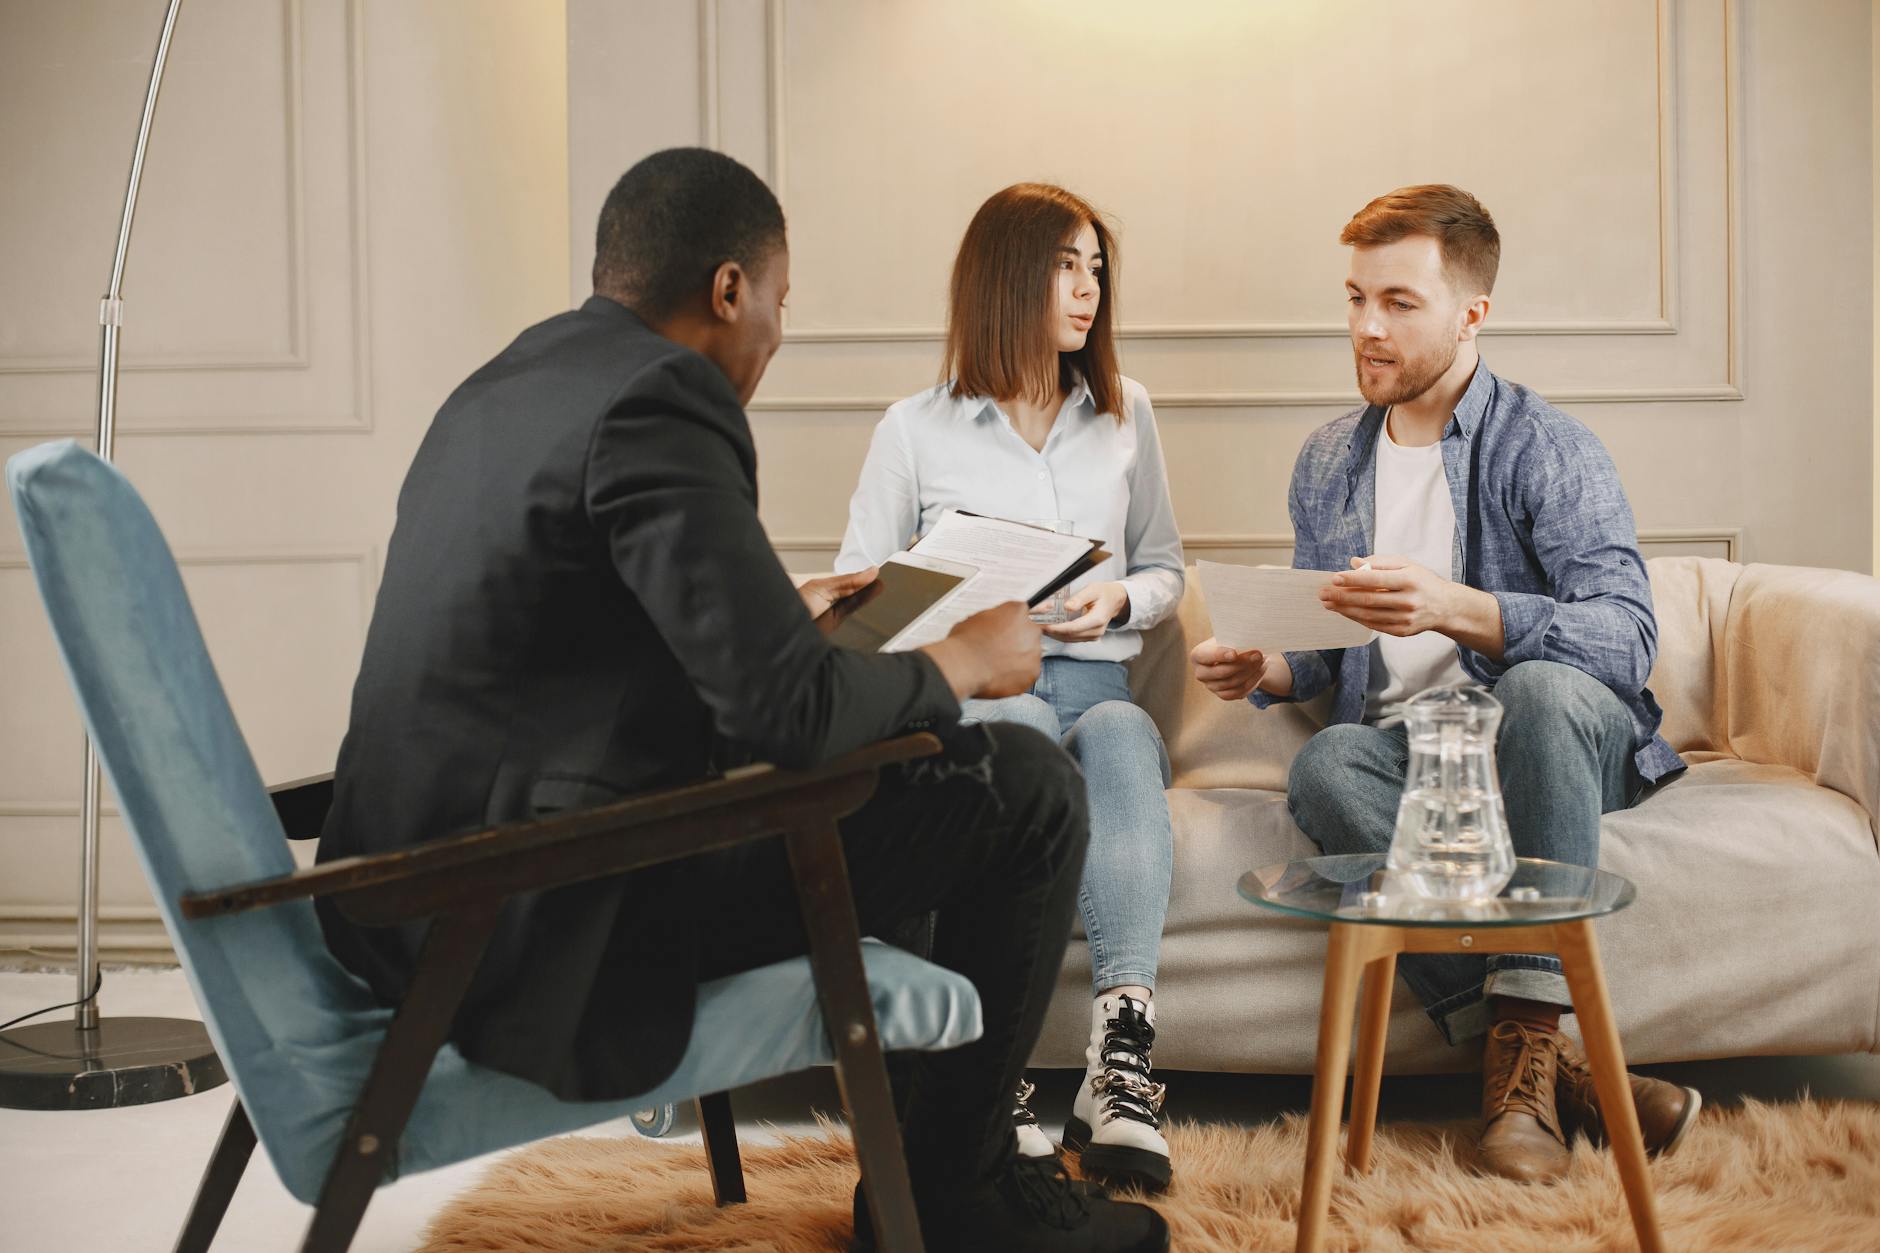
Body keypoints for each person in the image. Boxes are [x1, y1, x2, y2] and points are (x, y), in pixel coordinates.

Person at [317, 148, 1167, 1253]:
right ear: (727, 289)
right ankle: (958, 1197)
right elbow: (788, 717)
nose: (774, 331)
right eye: (776, 302)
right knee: (1026, 786)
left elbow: (569, 652)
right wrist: (960, 657)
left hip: (410, 893)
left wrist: (785, 612)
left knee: (911, 766)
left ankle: (913, 1169)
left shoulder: (505, 384)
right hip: (542, 913)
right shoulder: (664, 396)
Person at [1189, 184, 1700, 1183]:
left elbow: (1624, 637)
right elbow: (1334, 651)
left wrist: (1458, 607)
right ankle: (1549, 1067)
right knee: (1327, 763)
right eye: (1352, 299)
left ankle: (1521, 1066)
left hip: (1549, 741)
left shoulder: (1544, 447)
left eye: (1397, 302)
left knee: (1543, 695)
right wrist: (1269, 665)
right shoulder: (1329, 459)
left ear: (1471, 312)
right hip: (1418, 756)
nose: (1365, 328)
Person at [837, 183, 1184, 1193]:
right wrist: (957, 615)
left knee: (1118, 728)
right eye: (1065, 265)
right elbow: (860, 600)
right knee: (1016, 724)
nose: (1088, 290)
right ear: (1004, 277)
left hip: (1095, 674)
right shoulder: (913, 428)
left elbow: (1167, 568)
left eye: (1096, 269)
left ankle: (1119, 1063)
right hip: (986, 687)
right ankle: (996, 1081)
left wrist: (1116, 595)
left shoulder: (1126, 414)